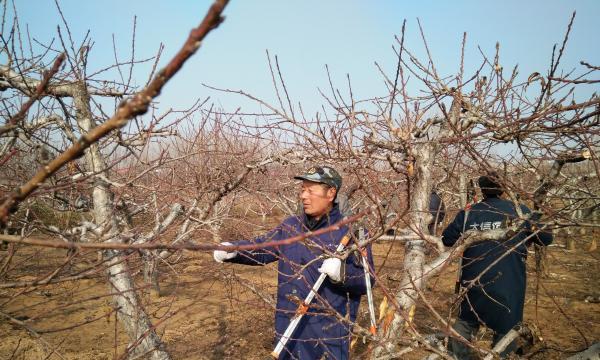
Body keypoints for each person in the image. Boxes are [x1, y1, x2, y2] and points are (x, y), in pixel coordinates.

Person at [213, 166, 375, 360]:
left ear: (331, 193)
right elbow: (264, 247)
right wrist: (235, 250)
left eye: (310, 191)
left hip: (328, 333)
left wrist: (342, 274)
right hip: (288, 326)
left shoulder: (351, 233)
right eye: (302, 189)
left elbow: (367, 280)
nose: (304, 196)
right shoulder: (291, 226)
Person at [441, 172, 552, 359]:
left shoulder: (468, 213)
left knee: (466, 322)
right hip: (509, 283)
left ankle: (456, 356)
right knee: (507, 330)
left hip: (474, 280)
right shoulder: (521, 212)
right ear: (504, 189)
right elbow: (546, 238)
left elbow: (448, 238)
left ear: (482, 190)